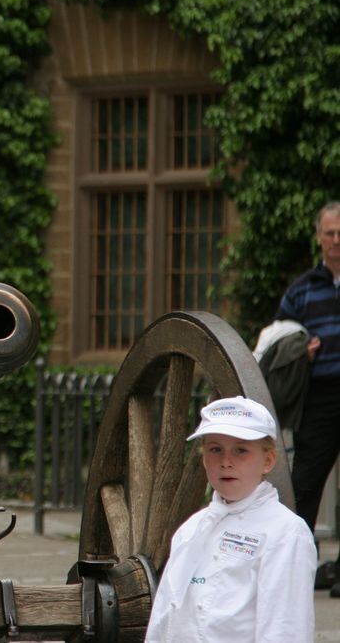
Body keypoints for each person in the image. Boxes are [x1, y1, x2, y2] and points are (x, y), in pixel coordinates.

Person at [145, 396, 316, 643]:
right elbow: (164, 614)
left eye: (241, 450)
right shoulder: (191, 529)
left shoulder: (285, 533)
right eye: (215, 450)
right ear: (204, 458)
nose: (226, 462)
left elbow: (285, 628)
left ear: (267, 461)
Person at [275, 201, 340, 595]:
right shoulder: (301, 290)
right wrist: (301, 352)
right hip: (318, 397)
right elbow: (278, 341)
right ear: (319, 238)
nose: (336, 241)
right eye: (330, 233)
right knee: (304, 483)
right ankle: (297, 562)